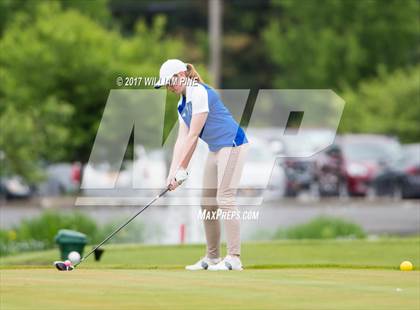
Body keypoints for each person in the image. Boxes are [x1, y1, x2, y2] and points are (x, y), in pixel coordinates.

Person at [155, 59, 249, 271]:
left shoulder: (197, 92)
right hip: (216, 149)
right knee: (207, 203)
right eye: (166, 85)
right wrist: (171, 174)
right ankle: (213, 257)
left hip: (233, 144)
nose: (169, 87)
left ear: (181, 74)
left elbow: (194, 136)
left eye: (171, 82)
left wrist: (182, 170)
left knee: (225, 198)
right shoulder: (182, 104)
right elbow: (181, 139)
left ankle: (234, 258)